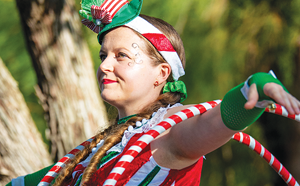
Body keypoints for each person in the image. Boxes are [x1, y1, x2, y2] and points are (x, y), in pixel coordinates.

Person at [7, 0, 300, 185]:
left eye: (121, 55)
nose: (105, 66)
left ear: (161, 73)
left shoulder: (168, 130)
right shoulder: (99, 148)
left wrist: (255, 89)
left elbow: (214, 122)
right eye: (102, 56)